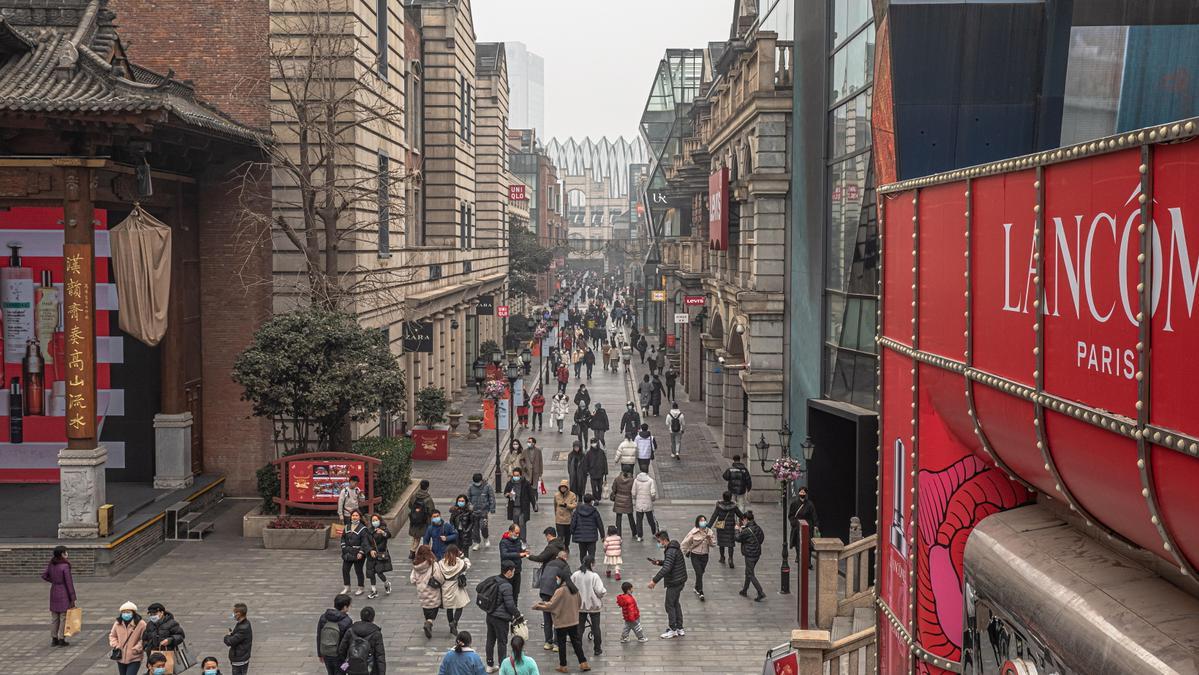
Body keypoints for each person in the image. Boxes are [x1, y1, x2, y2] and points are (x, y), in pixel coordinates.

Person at [532, 573, 590, 673]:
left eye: (557, 578)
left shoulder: (560, 591)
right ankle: (583, 663)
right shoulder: (574, 589)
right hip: (574, 621)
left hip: (562, 622)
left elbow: (551, 605)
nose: (556, 580)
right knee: (576, 643)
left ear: (560, 578)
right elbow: (579, 603)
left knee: (561, 644)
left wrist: (538, 606)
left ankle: (563, 665)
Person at [530, 539, 570, 652]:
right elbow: (568, 579)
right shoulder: (564, 565)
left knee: (547, 619)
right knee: (557, 617)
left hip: (544, 592)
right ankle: (557, 643)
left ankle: (548, 642)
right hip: (555, 593)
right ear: (565, 557)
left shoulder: (548, 563)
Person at [483, 561, 522, 672]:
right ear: (509, 572)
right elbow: (510, 604)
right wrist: (518, 615)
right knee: (502, 642)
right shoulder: (506, 585)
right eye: (513, 571)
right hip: (501, 619)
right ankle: (502, 667)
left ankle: (489, 665)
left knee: (490, 640)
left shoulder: (494, 579)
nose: (514, 573)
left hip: (490, 615)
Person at [647, 531, 687, 639]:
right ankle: (679, 628)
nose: (659, 544)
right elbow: (669, 563)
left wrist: (654, 581)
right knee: (675, 603)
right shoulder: (673, 548)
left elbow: (667, 568)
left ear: (665, 540)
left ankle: (673, 629)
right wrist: (659, 562)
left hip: (674, 581)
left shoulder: (670, 551)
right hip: (680, 580)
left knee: (669, 605)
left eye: (659, 541)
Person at [572, 556, 606, 657]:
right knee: (596, 628)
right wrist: (603, 593)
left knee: (579, 628)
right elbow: (600, 591)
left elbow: (570, 587)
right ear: (591, 564)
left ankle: (577, 648)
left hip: (579, 605)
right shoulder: (594, 576)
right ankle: (597, 649)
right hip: (593, 606)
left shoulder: (575, 575)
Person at [42, 545, 76, 647]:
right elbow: (69, 582)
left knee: (55, 617)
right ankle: (62, 638)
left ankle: (54, 638)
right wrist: (72, 597)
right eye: (66, 552)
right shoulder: (65, 566)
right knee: (63, 617)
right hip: (63, 592)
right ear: (62, 554)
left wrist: (53, 581)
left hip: (54, 591)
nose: (67, 554)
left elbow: (44, 575)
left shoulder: (52, 563)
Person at [436, 545, 473, 636]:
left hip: (445, 587)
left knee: (449, 608)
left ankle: (451, 623)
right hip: (456, 586)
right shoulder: (459, 562)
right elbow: (468, 564)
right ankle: (455, 622)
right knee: (460, 606)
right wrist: (462, 556)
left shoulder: (441, 563)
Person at [338, 605, 385, 675]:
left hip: (351, 667)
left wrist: (346, 665)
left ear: (361, 616)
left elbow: (341, 650)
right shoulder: (376, 633)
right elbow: (380, 656)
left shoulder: (351, 630)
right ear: (373, 618)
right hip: (369, 669)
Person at [680, 516, 717, 601]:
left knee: (701, 572)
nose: (703, 522)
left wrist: (709, 540)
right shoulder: (693, 532)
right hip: (695, 555)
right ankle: (701, 591)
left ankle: (696, 587)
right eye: (701, 521)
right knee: (699, 572)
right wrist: (685, 552)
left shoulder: (709, 532)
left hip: (705, 555)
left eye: (704, 520)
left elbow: (714, 544)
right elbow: (685, 543)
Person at [411, 544, 442, 638]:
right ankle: (428, 623)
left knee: (426, 610)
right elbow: (440, 578)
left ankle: (428, 623)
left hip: (422, 593)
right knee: (433, 611)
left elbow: (412, 579)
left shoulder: (416, 565)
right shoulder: (433, 564)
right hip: (433, 592)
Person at [317, 594, 353, 675]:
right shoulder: (347, 621)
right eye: (349, 605)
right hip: (340, 657)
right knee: (342, 672)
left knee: (330, 672)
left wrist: (320, 653)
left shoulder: (323, 617)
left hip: (326, 653)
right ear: (344, 607)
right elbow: (347, 641)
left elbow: (319, 636)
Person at [735, 511, 767, 601]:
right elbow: (761, 538)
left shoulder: (746, 531)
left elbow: (737, 538)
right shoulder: (757, 528)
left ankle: (760, 592)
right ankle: (745, 590)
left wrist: (737, 529)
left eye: (743, 520)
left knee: (750, 574)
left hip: (749, 554)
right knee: (748, 571)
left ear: (745, 519)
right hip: (757, 553)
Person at [109, 601, 147, 675]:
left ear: (133, 612)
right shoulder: (117, 623)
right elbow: (112, 636)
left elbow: (144, 638)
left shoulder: (141, 624)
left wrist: (137, 648)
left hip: (135, 657)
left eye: (128, 612)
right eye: (124, 612)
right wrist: (116, 645)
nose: (126, 614)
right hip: (120, 656)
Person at [711, 492, 745, 567]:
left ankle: (722, 557)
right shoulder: (734, 506)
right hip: (730, 527)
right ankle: (730, 558)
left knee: (721, 543)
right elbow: (741, 515)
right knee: (730, 544)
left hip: (721, 527)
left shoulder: (719, 506)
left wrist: (708, 526)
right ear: (730, 498)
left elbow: (714, 516)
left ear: (723, 497)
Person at [569, 493, 605, 563]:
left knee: (582, 553)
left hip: (581, 536)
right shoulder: (594, 511)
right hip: (592, 536)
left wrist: (572, 531)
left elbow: (573, 522)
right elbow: (599, 524)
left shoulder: (577, 510)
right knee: (591, 553)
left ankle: (583, 565)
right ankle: (590, 566)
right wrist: (602, 535)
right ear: (591, 501)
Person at [498, 523, 528, 607]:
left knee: (516, 592)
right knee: (507, 592)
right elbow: (504, 555)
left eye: (519, 533)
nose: (517, 535)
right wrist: (519, 554)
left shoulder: (518, 541)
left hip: (517, 570)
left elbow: (519, 553)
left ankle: (515, 611)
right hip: (507, 572)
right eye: (516, 533)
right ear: (510, 532)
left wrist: (524, 553)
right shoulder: (503, 542)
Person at [340, 510, 368, 596]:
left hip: (358, 552)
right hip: (348, 552)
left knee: (358, 570)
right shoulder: (347, 526)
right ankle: (347, 587)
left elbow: (365, 542)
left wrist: (361, 552)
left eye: (356, 515)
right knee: (345, 569)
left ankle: (360, 587)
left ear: (359, 517)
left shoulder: (363, 528)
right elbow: (343, 538)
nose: (354, 517)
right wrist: (344, 547)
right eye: (353, 515)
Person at [788, 485, 821, 560]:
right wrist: (793, 522)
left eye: (803, 492)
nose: (802, 493)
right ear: (799, 492)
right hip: (797, 525)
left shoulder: (810, 504)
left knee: (808, 544)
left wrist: (816, 525)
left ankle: (808, 561)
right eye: (801, 492)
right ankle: (798, 557)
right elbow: (791, 515)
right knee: (797, 543)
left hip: (808, 526)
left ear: (806, 493)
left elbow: (814, 515)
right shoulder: (794, 503)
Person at [365, 513, 393, 598]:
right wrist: (370, 550)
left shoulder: (383, 529)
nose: (375, 522)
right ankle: (374, 590)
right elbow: (365, 542)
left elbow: (388, 535)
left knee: (379, 571)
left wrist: (383, 532)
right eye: (373, 520)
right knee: (371, 572)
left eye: (376, 520)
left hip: (380, 554)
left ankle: (386, 583)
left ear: (380, 520)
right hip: (371, 555)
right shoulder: (369, 531)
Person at [504, 468, 536, 538]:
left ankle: (523, 540)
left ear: (520, 475)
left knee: (522, 524)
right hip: (514, 507)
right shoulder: (510, 483)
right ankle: (516, 539)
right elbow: (505, 493)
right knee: (515, 525)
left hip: (523, 508)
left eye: (517, 475)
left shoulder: (526, 483)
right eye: (514, 475)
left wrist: (534, 505)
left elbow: (531, 495)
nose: (515, 477)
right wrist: (509, 494)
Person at [409, 480, 437, 559]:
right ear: (427, 487)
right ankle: (427, 552)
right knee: (426, 537)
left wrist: (416, 513)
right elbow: (431, 510)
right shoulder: (428, 498)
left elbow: (410, 505)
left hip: (415, 520)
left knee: (416, 537)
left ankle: (412, 552)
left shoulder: (414, 496)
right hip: (425, 521)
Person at [467, 474, 496, 550]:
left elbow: (491, 497)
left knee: (484, 526)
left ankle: (486, 538)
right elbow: (468, 498)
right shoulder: (471, 487)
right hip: (474, 512)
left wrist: (492, 508)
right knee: (474, 528)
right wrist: (469, 506)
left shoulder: (487, 487)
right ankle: (476, 542)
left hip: (484, 511)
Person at [223, 603, 252, 675]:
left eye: (234, 612)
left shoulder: (243, 628)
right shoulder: (243, 623)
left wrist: (227, 636)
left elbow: (229, 642)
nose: (233, 614)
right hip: (241, 657)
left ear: (238, 614)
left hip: (239, 660)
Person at [631, 470, 658, 542]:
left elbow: (633, 492)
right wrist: (652, 499)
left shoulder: (636, 480)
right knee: (650, 519)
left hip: (639, 504)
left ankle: (639, 536)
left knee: (639, 520)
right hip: (648, 503)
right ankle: (654, 532)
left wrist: (635, 498)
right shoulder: (650, 481)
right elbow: (653, 493)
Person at [608, 469, 635, 538]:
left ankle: (619, 534)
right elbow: (634, 490)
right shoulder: (632, 480)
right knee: (630, 517)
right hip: (628, 500)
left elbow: (613, 489)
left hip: (618, 499)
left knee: (618, 518)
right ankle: (634, 531)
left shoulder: (617, 479)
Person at [552, 481, 577, 545]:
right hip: (559, 520)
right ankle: (560, 548)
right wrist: (556, 514)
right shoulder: (556, 495)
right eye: (561, 487)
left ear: (567, 488)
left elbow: (574, 505)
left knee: (567, 536)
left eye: (564, 487)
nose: (562, 489)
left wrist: (567, 506)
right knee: (560, 536)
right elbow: (555, 506)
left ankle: (566, 546)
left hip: (568, 520)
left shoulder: (572, 495)